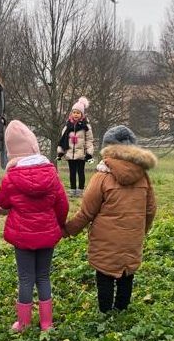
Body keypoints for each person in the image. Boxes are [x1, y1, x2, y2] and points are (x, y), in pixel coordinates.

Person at [64, 124, 156, 315]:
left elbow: (86, 212)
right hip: (133, 238)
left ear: (108, 149)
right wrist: (141, 230)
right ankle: (122, 309)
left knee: (104, 274)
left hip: (105, 241)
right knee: (127, 273)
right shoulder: (143, 176)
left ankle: (105, 312)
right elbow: (150, 210)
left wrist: (68, 230)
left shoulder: (101, 177)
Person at [0, 119, 68, 332]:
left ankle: (23, 322)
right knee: (43, 276)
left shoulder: (11, 178)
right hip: (47, 235)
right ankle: (46, 322)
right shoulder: (52, 175)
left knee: (25, 278)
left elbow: (3, 202)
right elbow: (62, 204)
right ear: (34, 147)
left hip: (23, 236)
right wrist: (60, 225)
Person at [56, 98, 94, 197]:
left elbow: (89, 140)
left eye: (78, 113)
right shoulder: (67, 126)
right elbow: (63, 139)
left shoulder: (86, 127)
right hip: (70, 153)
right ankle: (73, 190)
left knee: (81, 172)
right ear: (71, 114)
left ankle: (80, 190)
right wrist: (61, 152)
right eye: (74, 112)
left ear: (82, 115)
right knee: (72, 173)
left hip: (81, 154)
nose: (76, 114)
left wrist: (89, 153)